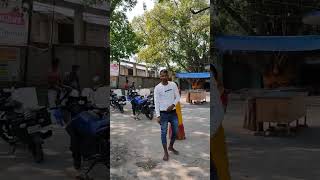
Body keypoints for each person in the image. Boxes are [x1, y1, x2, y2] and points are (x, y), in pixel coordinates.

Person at [154, 69, 180, 161]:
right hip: (163, 114)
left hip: (173, 113)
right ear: (160, 76)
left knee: (176, 131)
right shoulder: (157, 88)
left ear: (168, 76)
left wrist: (173, 105)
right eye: (161, 76)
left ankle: (171, 146)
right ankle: (165, 152)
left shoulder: (173, 85)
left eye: (165, 76)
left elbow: (178, 97)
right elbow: (156, 102)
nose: (163, 77)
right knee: (163, 133)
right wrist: (158, 115)